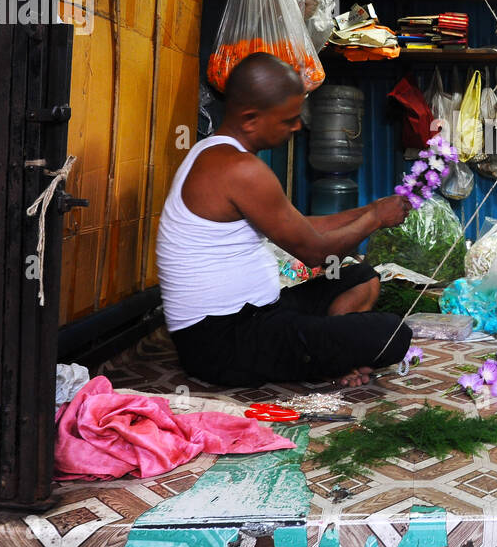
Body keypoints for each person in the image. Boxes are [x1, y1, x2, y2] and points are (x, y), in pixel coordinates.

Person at [157, 53, 413, 388]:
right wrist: (376, 218)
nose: (297, 127)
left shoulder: (213, 152)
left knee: (359, 275)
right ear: (250, 119)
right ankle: (331, 354)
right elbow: (314, 252)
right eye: (288, 120)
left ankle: (331, 352)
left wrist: (370, 209)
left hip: (261, 313)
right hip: (222, 344)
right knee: (394, 334)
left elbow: (301, 226)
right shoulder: (241, 170)